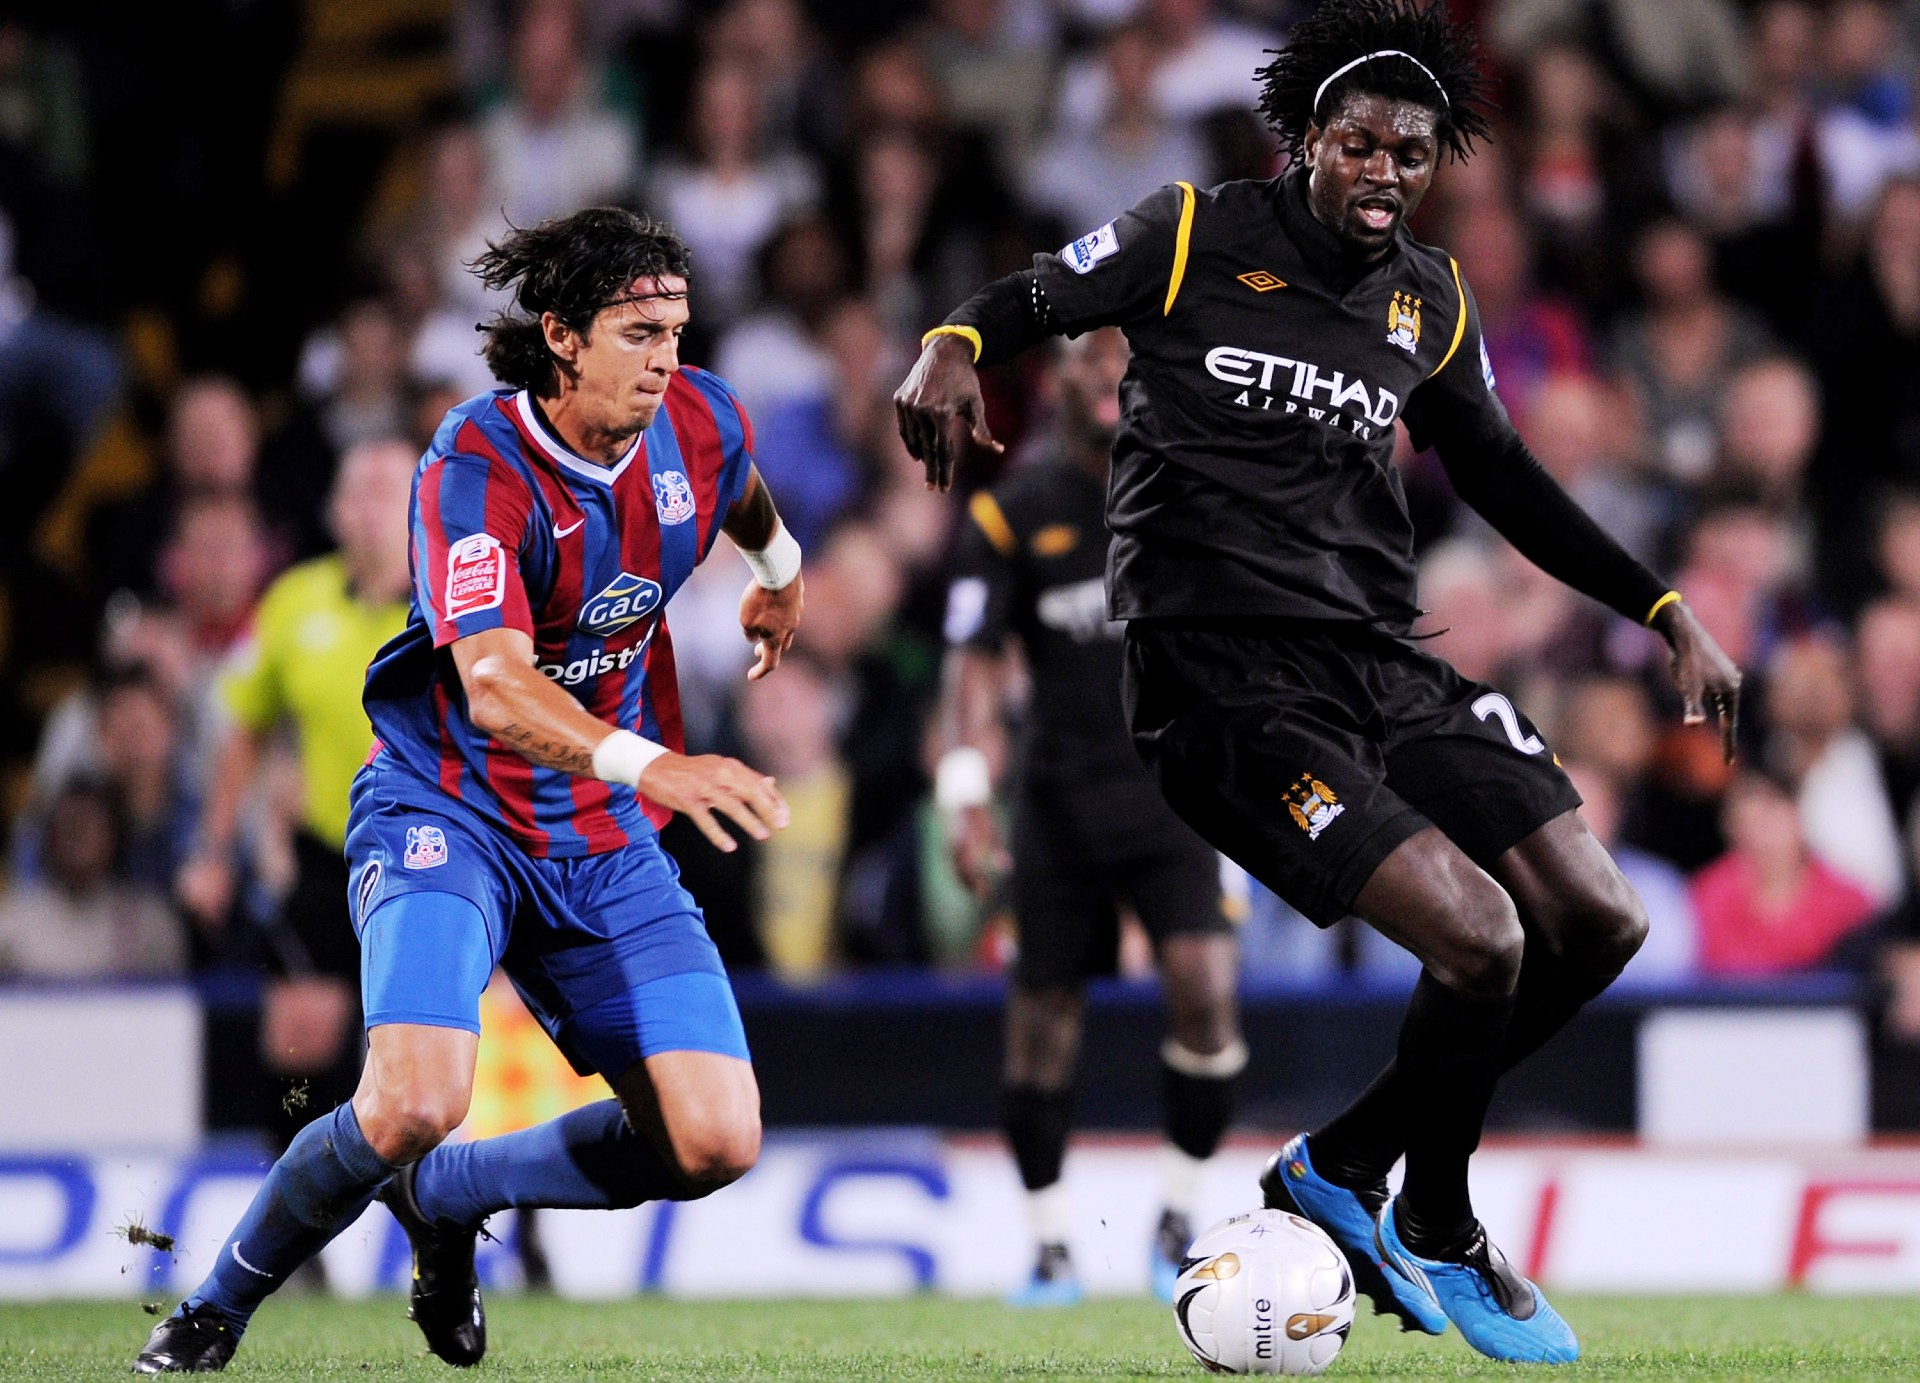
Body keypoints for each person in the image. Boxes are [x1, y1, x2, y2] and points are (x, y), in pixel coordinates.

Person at [893, 0, 1740, 1364]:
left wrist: (1660, 604)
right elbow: (1034, 295)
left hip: (1376, 660)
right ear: (1306, 141)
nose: (1386, 171)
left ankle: (1340, 1167)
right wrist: (953, 342)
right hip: (1219, 687)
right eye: (1360, 144)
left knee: (1598, 914)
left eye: (1413, 152)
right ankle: (1445, 1216)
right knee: (1480, 936)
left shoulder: (1432, 297)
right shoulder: (1189, 233)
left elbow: (1506, 475)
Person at [135, 207, 805, 1373]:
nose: (668, 357)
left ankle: (448, 1199)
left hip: (598, 837)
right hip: (447, 810)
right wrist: (661, 764)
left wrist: (780, 572)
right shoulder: (472, 467)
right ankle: (214, 1313)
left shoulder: (698, 417)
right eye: (640, 331)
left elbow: (738, 487)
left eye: (679, 330)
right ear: (562, 335)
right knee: (409, 1101)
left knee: (716, 1141)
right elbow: (494, 688)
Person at [937, 325, 1243, 1304]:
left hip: (1176, 795)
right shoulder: (1011, 514)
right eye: (1088, 356)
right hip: (1059, 801)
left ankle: (1176, 1217)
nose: (1110, 371)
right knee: (1041, 1026)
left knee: (1204, 988)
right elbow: (973, 665)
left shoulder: (1192, 498)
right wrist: (963, 791)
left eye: (1126, 355)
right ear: (1057, 378)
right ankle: (1050, 1244)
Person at [174, 438, 417, 1160]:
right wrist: (214, 851)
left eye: (388, 490)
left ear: (419, 503)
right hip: (328, 849)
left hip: (430, 853)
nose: (372, 508)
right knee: (295, 1034)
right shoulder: (292, 601)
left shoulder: (456, 603)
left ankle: (462, 1218)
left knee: (425, 1044)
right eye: (360, 491)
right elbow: (244, 730)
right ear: (336, 510)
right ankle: (296, 1210)